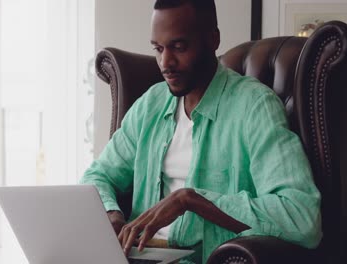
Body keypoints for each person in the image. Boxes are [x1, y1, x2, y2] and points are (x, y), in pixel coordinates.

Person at [80, 0, 322, 262]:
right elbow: (97, 176)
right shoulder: (151, 103)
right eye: (158, 49)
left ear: (212, 39)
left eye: (179, 47)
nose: (165, 62)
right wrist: (111, 214)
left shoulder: (255, 107)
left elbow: (302, 217)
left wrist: (192, 201)